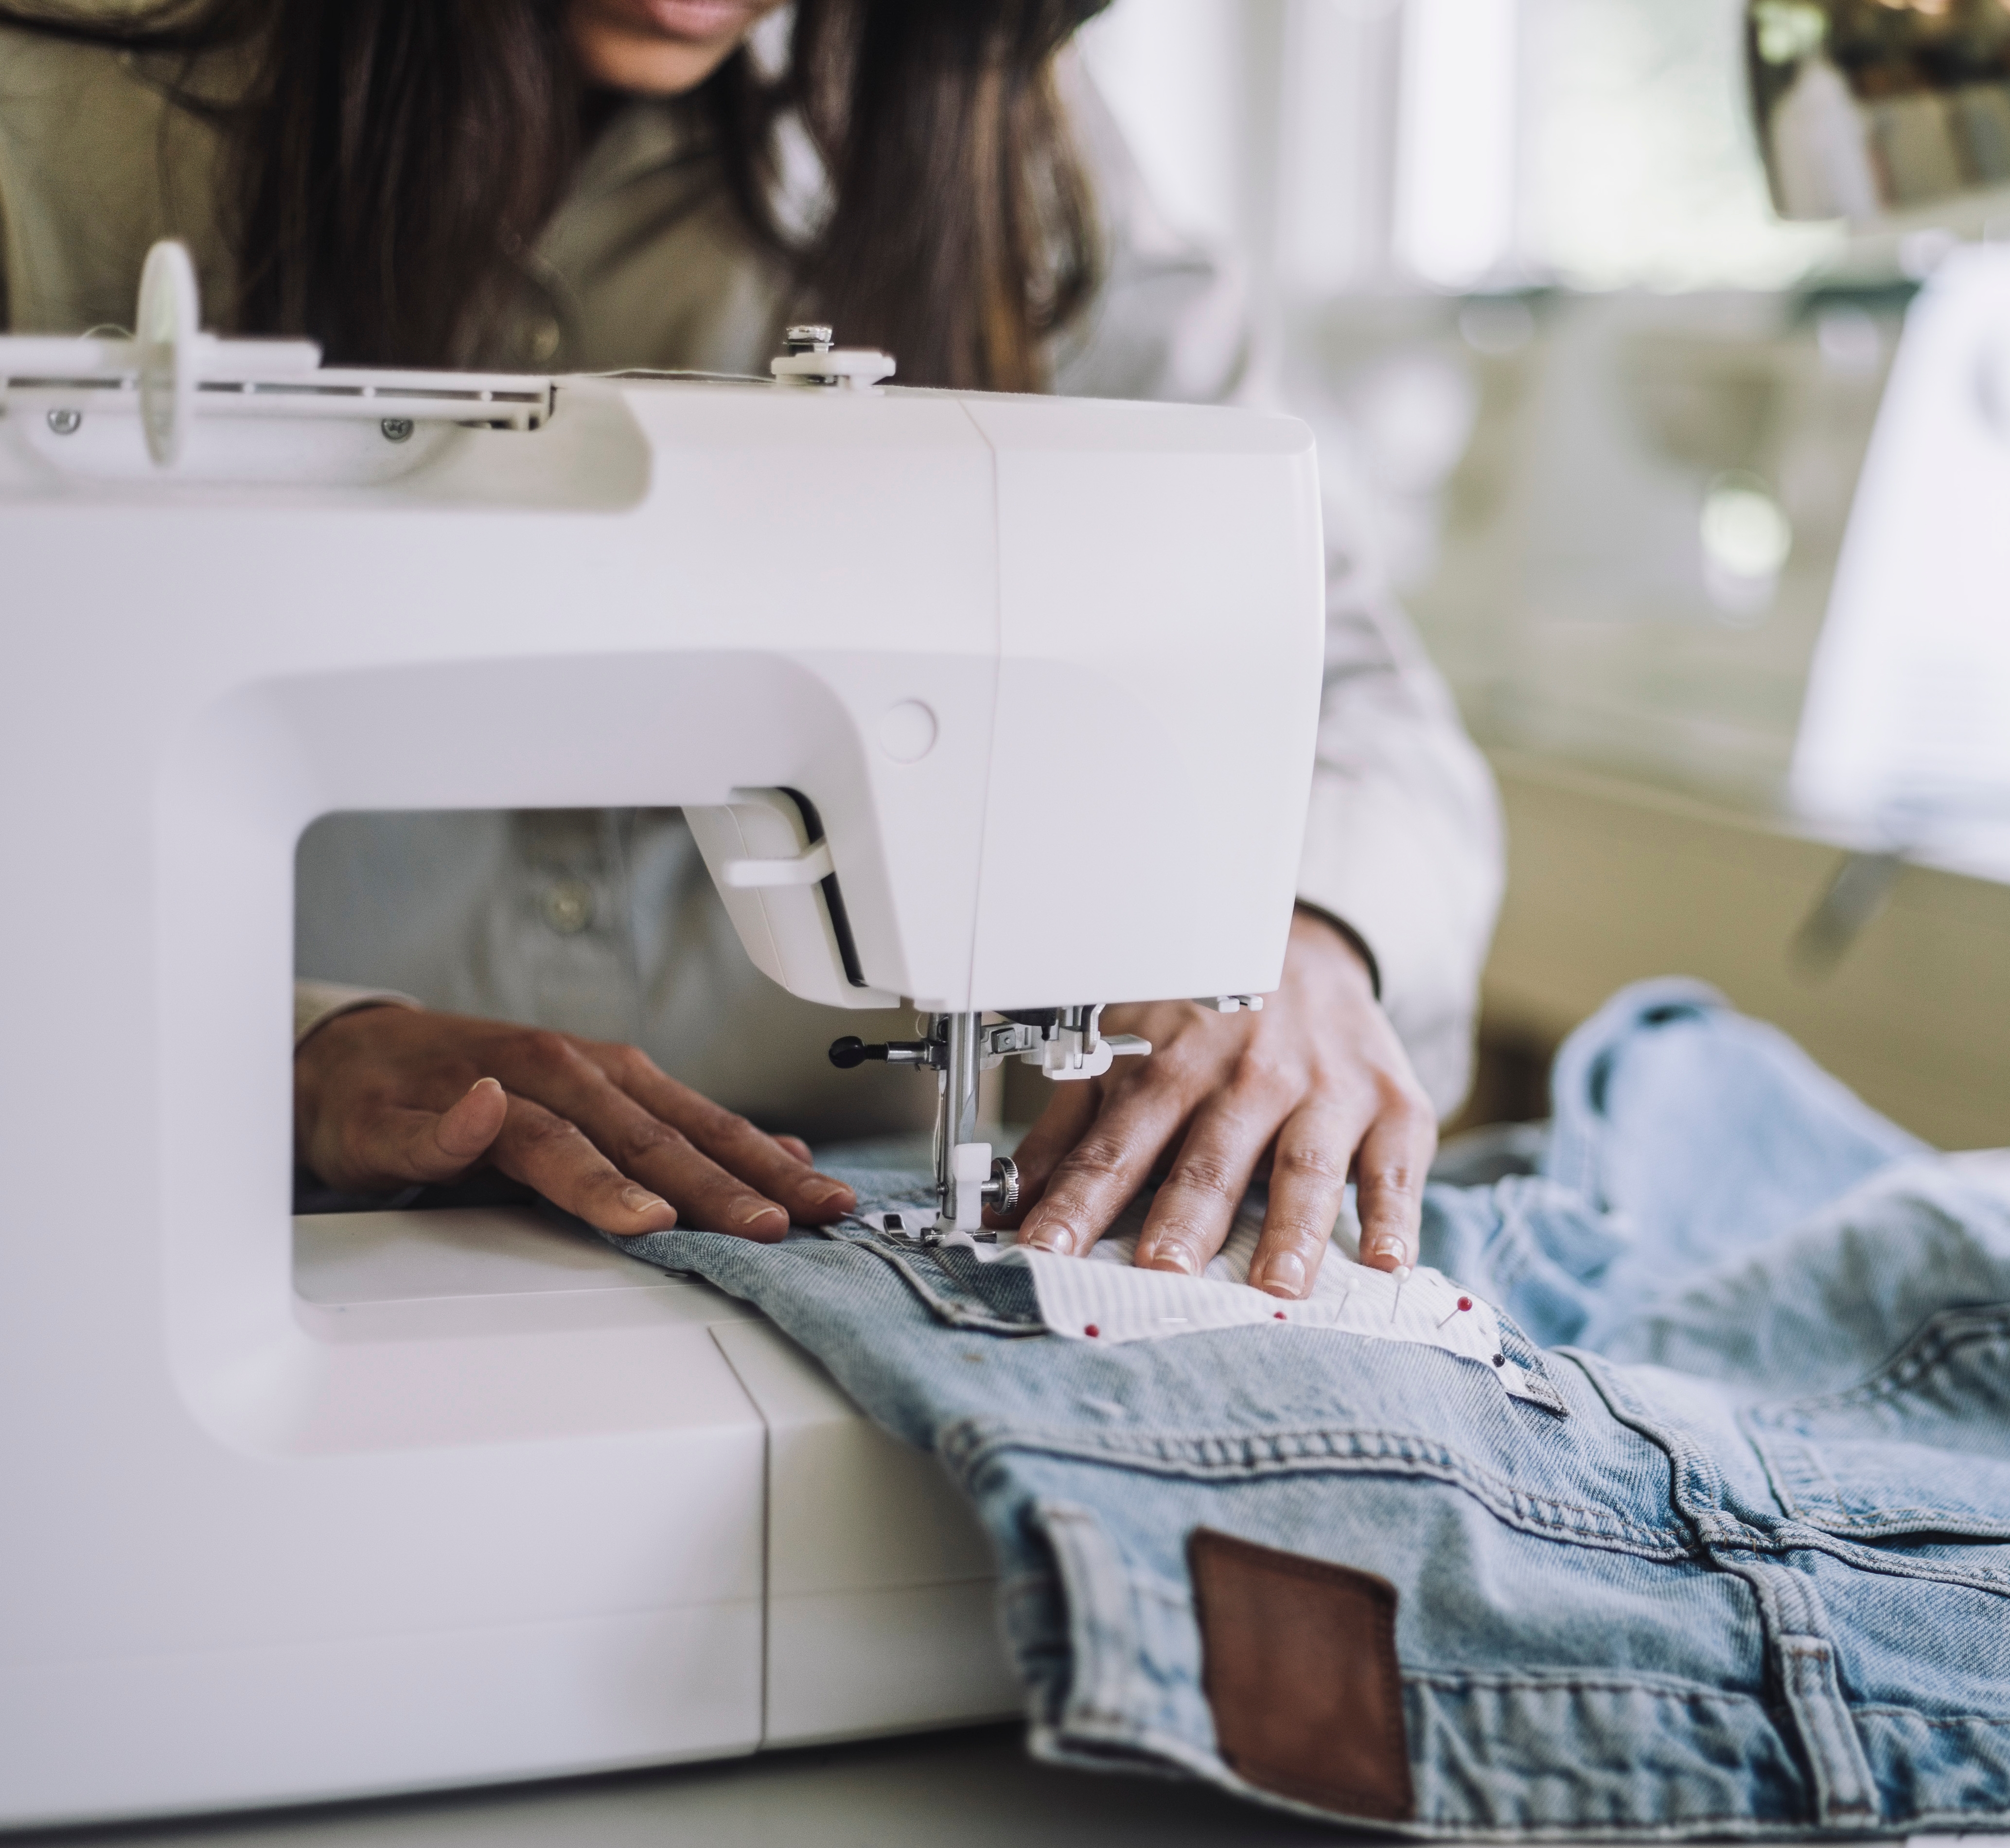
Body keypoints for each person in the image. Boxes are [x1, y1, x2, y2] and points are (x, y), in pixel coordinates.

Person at [0, 0, 1502, 1300]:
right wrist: (279, 1054)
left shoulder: (985, 124)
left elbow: (1349, 693)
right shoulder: (64, 140)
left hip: (819, 1178)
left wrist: (1300, 934)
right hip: (232, 1201)